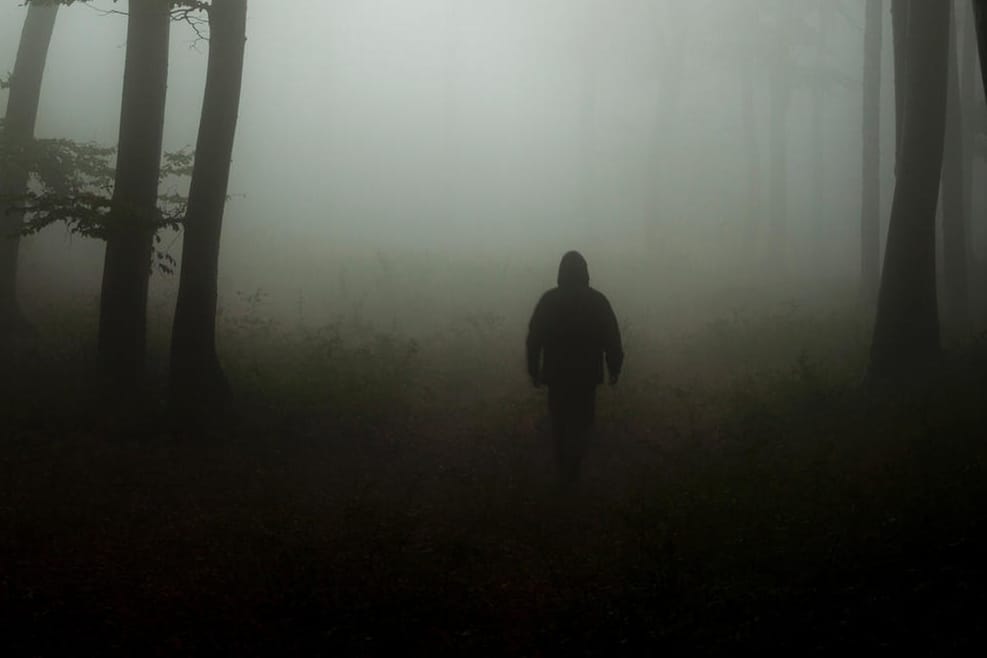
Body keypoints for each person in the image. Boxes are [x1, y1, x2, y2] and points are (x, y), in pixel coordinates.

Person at [526, 251, 623, 484]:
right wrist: (615, 367)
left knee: (559, 423)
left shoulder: (549, 301)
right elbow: (612, 337)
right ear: (585, 273)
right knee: (582, 423)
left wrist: (534, 370)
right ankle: (575, 470)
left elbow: (534, 339)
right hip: (586, 377)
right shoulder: (597, 301)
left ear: (560, 273)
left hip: (557, 376)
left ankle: (562, 472)